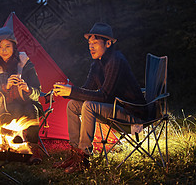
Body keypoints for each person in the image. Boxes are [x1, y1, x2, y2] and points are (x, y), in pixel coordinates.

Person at [53, 22, 148, 173]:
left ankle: (83, 159)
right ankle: (75, 154)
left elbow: (105, 96)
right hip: (115, 108)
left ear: (108, 43)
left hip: (133, 114)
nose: (91, 47)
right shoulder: (97, 64)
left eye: (95, 43)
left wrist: (72, 91)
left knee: (89, 105)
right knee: (72, 104)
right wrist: (65, 92)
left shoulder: (116, 60)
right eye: (89, 43)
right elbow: (86, 91)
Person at [0, 26, 43, 164]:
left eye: (7, 46)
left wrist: (27, 88)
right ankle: (14, 142)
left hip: (26, 104)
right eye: (0, 47)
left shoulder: (24, 61)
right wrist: (5, 87)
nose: (4, 50)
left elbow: (37, 91)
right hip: (0, 107)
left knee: (30, 110)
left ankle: (34, 151)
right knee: (14, 108)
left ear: (14, 46)